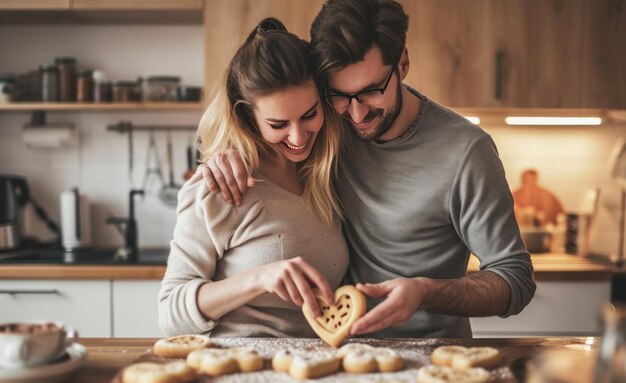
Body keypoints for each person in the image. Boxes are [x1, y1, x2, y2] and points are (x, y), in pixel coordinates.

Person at [201, 0, 536, 338]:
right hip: (341, 354)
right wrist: (229, 150)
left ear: (402, 63)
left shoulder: (466, 151)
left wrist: (425, 293)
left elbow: (515, 277)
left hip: (431, 357)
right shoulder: (327, 127)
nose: (357, 115)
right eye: (339, 95)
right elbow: (268, 110)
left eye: (372, 91)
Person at [158, 17, 348, 338]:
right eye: (278, 125)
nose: (299, 136)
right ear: (248, 116)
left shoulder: (327, 176)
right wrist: (258, 279)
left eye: (310, 114)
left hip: (308, 374)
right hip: (239, 372)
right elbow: (169, 315)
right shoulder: (221, 185)